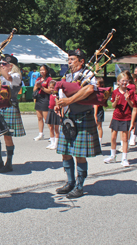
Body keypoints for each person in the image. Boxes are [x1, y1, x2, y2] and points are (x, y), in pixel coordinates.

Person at [54, 49, 101, 199]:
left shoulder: (88, 74)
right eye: (69, 59)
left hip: (82, 116)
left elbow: (89, 89)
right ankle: (70, 182)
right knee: (65, 152)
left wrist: (69, 101)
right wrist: (59, 103)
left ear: (81, 61)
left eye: (73, 59)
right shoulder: (67, 76)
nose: (69, 62)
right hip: (68, 116)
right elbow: (61, 93)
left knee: (79, 154)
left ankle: (80, 186)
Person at [0, 54, 26, 173]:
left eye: (4, 64)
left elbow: (8, 77)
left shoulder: (16, 76)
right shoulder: (1, 78)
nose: (1, 66)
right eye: (1, 64)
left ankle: (9, 162)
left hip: (10, 106)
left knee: (7, 136)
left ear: (11, 66)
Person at [104, 72, 133, 167]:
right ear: (118, 82)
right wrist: (116, 101)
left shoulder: (130, 91)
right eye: (123, 81)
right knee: (113, 137)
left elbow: (132, 105)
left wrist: (128, 99)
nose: (124, 82)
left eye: (126, 80)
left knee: (124, 138)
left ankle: (124, 158)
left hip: (126, 116)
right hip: (116, 116)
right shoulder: (115, 92)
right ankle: (112, 156)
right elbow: (112, 105)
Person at [33, 65, 52, 141]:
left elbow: (50, 91)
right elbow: (34, 89)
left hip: (45, 98)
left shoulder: (49, 79)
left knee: (46, 118)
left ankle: (52, 134)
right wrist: (37, 86)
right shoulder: (38, 79)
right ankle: (41, 134)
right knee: (39, 117)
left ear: (46, 71)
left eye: (43, 70)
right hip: (39, 98)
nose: (42, 71)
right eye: (41, 70)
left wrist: (41, 87)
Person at [45, 80, 61, 150]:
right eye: (50, 87)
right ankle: (52, 142)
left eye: (53, 87)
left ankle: (56, 144)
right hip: (50, 111)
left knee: (56, 129)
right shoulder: (50, 95)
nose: (52, 89)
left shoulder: (57, 95)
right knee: (51, 128)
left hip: (56, 111)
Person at [94, 77, 106, 147]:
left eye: (97, 84)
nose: (95, 85)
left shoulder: (101, 92)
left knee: (99, 126)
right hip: (93, 109)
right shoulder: (94, 90)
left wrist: (95, 115)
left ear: (101, 84)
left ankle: (99, 140)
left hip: (99, 109)